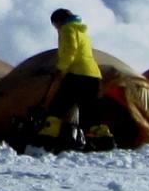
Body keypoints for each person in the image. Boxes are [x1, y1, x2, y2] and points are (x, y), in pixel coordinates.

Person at [38, 8, 112, 145]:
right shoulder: (82, 32)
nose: (56, 29)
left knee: (58, 105)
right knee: (89, 110)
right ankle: (103, 139)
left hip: (78, 74)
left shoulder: (67, 29)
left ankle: (47, 137)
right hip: (94, 76)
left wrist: (61, 68)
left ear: (58, 21)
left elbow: (70, 50)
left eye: (55, 26)